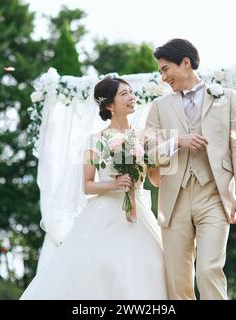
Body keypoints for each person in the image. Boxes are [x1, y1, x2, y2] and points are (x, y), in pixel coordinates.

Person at [20, 77, 167, 299]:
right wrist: (114, 184)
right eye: (124, 94)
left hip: (140, 211)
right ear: (109, 105)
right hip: (104, 211)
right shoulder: (95, 140)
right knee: (98, 269)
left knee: (150, 265)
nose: (131, 97)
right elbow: (87, 185)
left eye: (131, 92)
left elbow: (156, 177)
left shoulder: (145, 137)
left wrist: (164, 158)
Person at [145, 39, 236, 300]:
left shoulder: (226, 98)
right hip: (173, 199)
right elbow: (147, 154)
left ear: (185, 62)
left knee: (208, 270)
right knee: (177, 278)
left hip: (214, 196)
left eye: (165, 69)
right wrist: (176, 141)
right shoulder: (159, 107)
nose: (163, 77)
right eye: (160, 71)